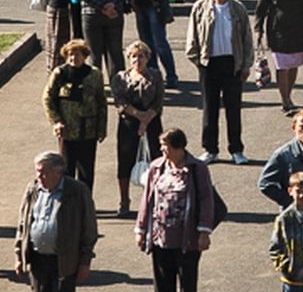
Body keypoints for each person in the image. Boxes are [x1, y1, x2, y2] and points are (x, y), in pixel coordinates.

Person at [134, 127, 216, 292]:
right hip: (161, 238)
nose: (162, 149)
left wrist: (204, 232)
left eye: (166, 145)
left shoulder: (197, 168)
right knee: (163, 284)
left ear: (179, 147)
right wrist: (140, 230)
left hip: (187, 238)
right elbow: (147, 199)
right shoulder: (156, 167)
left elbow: (206, 200)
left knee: (187, 283)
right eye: (162, 145)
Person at [185, 0, 253, 164]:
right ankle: (210, 149)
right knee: (210, 108)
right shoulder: (200, 7)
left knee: (234, 109)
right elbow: (192, 37)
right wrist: (198, 61)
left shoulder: (238, 9)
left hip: (232, 64)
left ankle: (236, 150)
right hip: (209, 64)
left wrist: (246, 64)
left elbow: (247, 39)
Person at [13, 151, 98, 292]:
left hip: (64, 260)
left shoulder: (77, 191)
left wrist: (85, 262)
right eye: (37, 172)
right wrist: (18, 256)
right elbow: (22, 225)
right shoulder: (32, 189)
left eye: (43, 172)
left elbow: (89, 229)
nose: (38, 176)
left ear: (58, 173)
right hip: (37, 259)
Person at [43, 39, 108, 189]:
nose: (73, 58)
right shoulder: (60, 73)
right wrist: (56, 121)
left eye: (77, 54)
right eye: (70, 55)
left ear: (84, 56)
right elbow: (48, 98)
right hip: (67, 130)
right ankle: (67, 204)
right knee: (66, 169)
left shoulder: (95, 74)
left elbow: (101, 102)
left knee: (87, 171)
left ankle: (85, 204)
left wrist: (101, 128)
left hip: (89, 130)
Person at [113, 41, 165, 217]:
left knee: (156, 161)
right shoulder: (120, 77)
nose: (137, 60)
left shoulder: (156, 76)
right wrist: (138, 116)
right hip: (128, 125)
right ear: (128, 58)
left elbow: (158, 102)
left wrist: (146, 120)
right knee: (125, 161)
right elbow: (120, 101)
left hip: (152, 123)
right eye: (133, 56)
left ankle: (155, 199)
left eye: (141, 56)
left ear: (147, 58)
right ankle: (124, 201)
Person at [259, 112, 303, 225]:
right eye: (302, 127)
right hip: (294, 215)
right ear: (293, 127)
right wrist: (290, 200)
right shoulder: (283, 155)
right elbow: (264, 183)